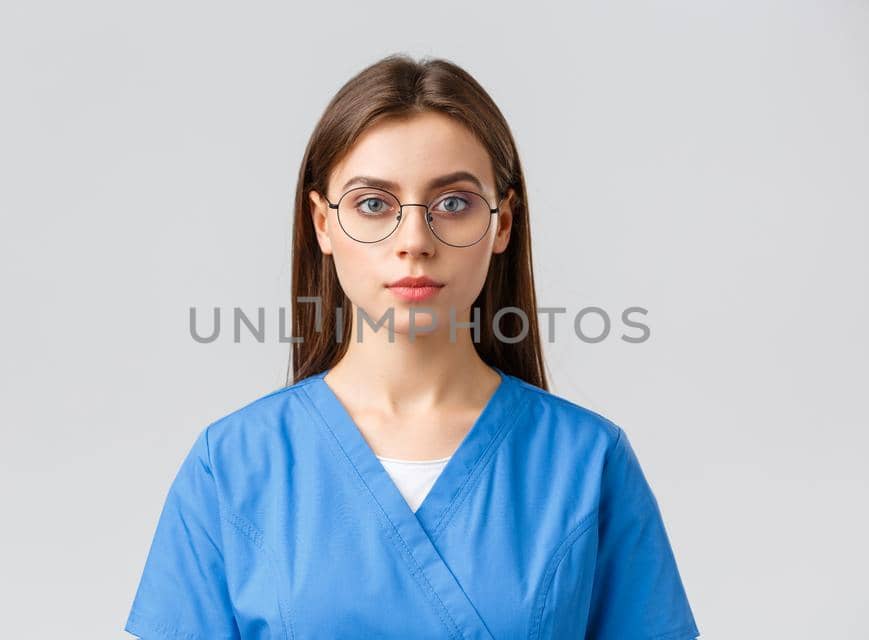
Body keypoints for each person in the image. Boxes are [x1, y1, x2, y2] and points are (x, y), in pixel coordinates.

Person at [126, 53, 701, 639]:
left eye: (453, 203)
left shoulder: (587, 462)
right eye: (373, 204)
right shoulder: (234, 465)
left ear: (502, 224)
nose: (413, 241)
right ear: (322, 224)